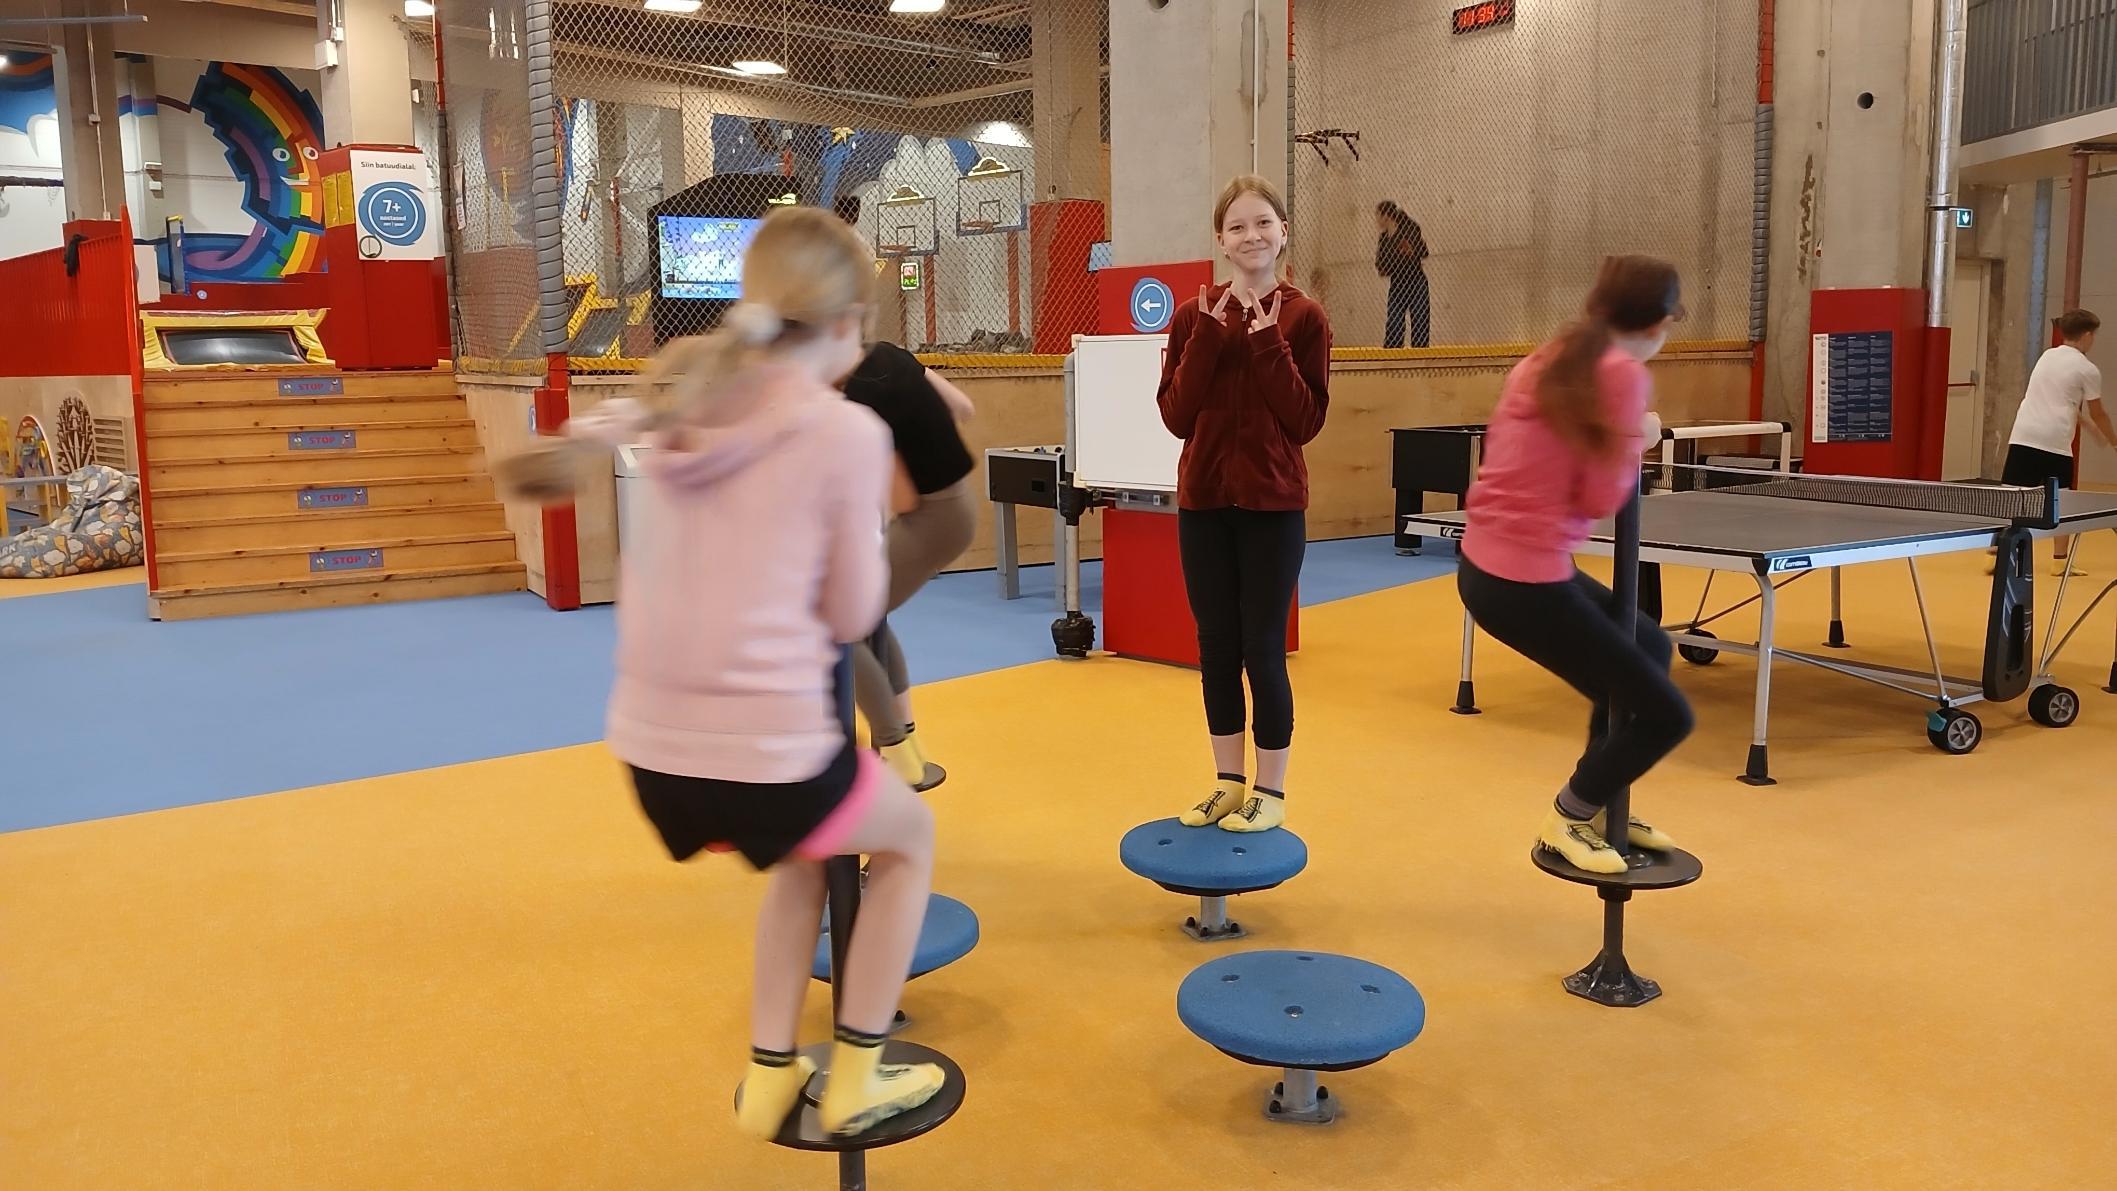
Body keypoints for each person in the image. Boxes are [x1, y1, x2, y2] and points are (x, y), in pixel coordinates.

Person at [491, 207, 943, 1141]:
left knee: (804, 857)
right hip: (769, 759)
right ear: (847, 323)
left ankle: (771, 1069)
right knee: (908, 839)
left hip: (650, 762)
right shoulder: (845, 430)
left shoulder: (681, 407)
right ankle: (857, 1073)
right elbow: (852, 616)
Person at [1453, 255, 1693, 875]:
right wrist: (1638, 436)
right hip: (1524, 582)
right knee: (1667, 714)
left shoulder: (1552, 354)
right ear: (1661, 323)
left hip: (1486, 568)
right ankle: (1570, 813)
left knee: (1649, 647)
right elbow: (1598, 499)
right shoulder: (1621, 376)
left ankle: (1603, 798)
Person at [1155, 174, 1331, 834]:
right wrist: (1207, 335)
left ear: (1283, 232)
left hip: (1273, 507)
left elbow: (1305, 419)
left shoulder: (1304, 317)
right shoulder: (1191, 315)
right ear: (1220, 240)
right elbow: (1176, 416)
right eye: (1237, 226)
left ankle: (1271, 790)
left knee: (1262, 648)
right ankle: (1227, 782)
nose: (1251, 235)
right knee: (1215, 647)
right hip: (1203, 504)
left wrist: (1265, 340)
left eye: (1263, 223)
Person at [842, 340, 979, 791]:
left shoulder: (858, 395)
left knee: (837, 625)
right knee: (870, 615)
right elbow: (962, 407)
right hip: (957, 505)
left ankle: (895, 751)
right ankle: (908, 746)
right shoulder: (889, 356)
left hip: (929, 519)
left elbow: (901, 497)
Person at [2001, 309, 2109, 574]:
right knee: (2062, 499)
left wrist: (2086, 425)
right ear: (2087, 335)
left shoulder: (2046, 357)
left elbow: (2062, 401)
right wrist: (2113, 441)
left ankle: (1999, 554)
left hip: (2024, 434)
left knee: (2012, 497)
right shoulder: (2087, 369)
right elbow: (2098, 412)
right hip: (2055, 441)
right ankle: (2060, 561)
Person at [1375, 201, 1431, 349]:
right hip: (1398, 284)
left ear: (1386, 216)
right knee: (1394, 325)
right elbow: (1380, 265)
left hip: (1416, 282)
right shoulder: (1384, 238)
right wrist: (1400, 257)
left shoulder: (1409, 229)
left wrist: (1407, 253)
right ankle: (1392, 357)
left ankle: (1420, 357)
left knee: (1420, 323)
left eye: (1378, 215)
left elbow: (1422, 251)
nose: (1377, 220)